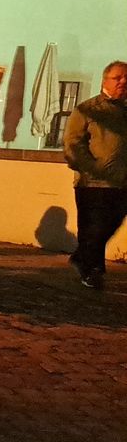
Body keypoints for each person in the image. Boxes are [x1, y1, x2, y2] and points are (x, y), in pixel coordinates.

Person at [62, 60, 127, 290]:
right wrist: (90, 167)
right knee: (93, 227)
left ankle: (83, 258)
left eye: (126, 78)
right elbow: (73, 143)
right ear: (105, 80)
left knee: (112, 223)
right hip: (93, 181)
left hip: (121, 181)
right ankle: (92, 270)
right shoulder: (88, 110)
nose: (123, 82)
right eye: (117, 78)